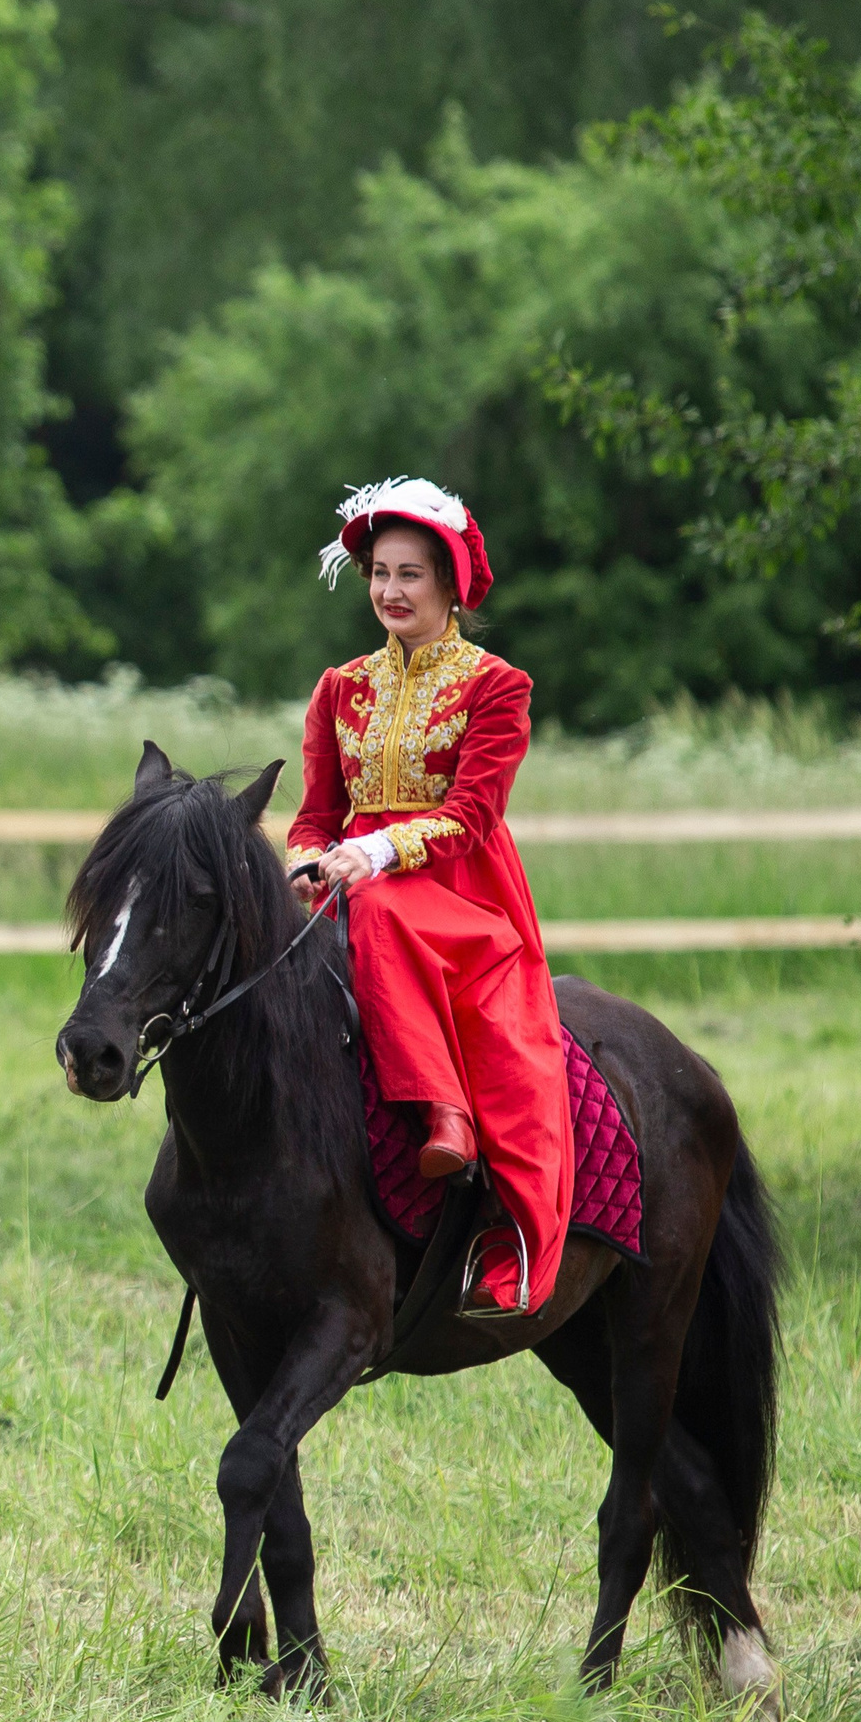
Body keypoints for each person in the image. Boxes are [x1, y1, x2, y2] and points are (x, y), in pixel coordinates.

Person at [284, 477, 572, 1317]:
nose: (390, 591)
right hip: (350, 881)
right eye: (379, 572)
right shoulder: (339, 688)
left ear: (450, 584)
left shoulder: (497, 686)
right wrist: (307, 863)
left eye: (410, 574)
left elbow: (475, 815)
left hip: (457, 891)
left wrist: (372, 852)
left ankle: (448, 1117)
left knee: (378, 912)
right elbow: (312, 817)